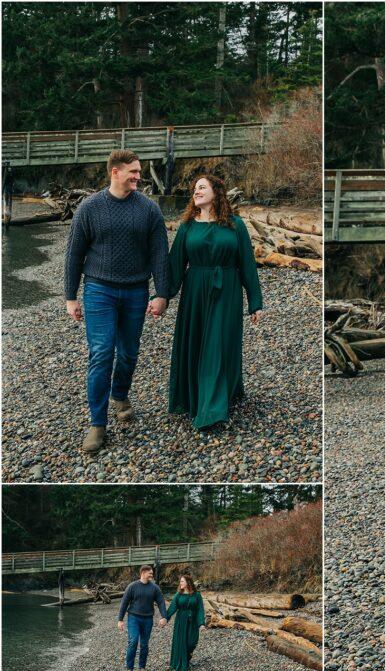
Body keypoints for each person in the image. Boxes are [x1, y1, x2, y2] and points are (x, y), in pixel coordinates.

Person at [64, 149, 169, 453]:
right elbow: (74, 254)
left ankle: (120, 394)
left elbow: (159, 254)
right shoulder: (90, 207)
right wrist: (70, 296)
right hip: (98, 290)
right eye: (134, 171)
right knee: (101, 353)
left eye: (139, 171)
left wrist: (161, 293)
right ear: (115, 172)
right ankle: (98, 424)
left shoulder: (149, 210)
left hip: (136, 291)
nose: (139, 176)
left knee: (128, 353)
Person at [163, 174, 263, 429]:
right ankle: (197, 396)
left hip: (226, 289)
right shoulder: (187, 226)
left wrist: (255, 302)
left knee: (218, 343)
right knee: (198, 341)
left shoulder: (235, 225)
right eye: (195, 188)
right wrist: (162, 296)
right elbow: (175, 266)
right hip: (195, 290)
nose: (196, 192)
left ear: (216, 193)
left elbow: (247, 265)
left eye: (202, 187)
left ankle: (212, 409)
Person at [118, 564, 168, 671]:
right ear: (143, 573)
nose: (152, 575)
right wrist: (120, 620)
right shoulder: (132, 586)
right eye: (150, 573)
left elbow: (161, 602)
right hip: (133, 618)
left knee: (144, 644)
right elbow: (124, 603)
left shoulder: (154, 587)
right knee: (133, 641)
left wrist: (163, 616)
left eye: (152, 573)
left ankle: (142, 668)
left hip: (148, 619)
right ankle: (129, 669)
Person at [165, 574, 206, 671]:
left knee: (192, 642)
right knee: (181, 641)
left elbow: (200, 610)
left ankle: (187, 656)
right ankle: (182, 662)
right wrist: (165, 618)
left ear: (188, 583)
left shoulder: (197, 595)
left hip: (193, 621)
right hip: (181, 620)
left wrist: (201, 624)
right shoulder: (178, 595)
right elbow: (172, 607)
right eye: (180, 582)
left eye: (182, 581)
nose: (180, 583)